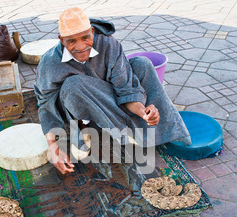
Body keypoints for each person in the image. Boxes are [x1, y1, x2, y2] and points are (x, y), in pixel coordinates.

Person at [34, 7, 191, 175]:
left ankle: (157, 128)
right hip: (78, 110)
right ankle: (103, 131)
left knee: (142, 64)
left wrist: (142, 112)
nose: (80, 47)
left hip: (108, 103)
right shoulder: (50, 62)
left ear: (92, 32)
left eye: (85, 37)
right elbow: (46, 106)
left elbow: (125, 88)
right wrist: (53, 148)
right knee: (73, 84)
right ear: (61, 40)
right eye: (71, 41)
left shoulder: (109, 45)